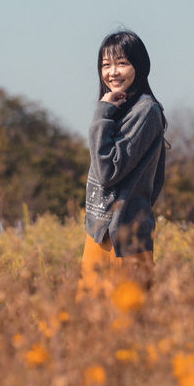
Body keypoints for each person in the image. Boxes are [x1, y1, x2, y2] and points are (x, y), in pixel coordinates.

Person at [78, 30, 167, 297]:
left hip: (126, 241)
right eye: (106, 65)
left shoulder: (146, 111)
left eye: (122, 63)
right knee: (89, 329)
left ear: (139, 67)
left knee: (128, 329)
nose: (113, 72)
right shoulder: (119, 109)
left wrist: (102, 113)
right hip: (99, 234)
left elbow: (107, 171)